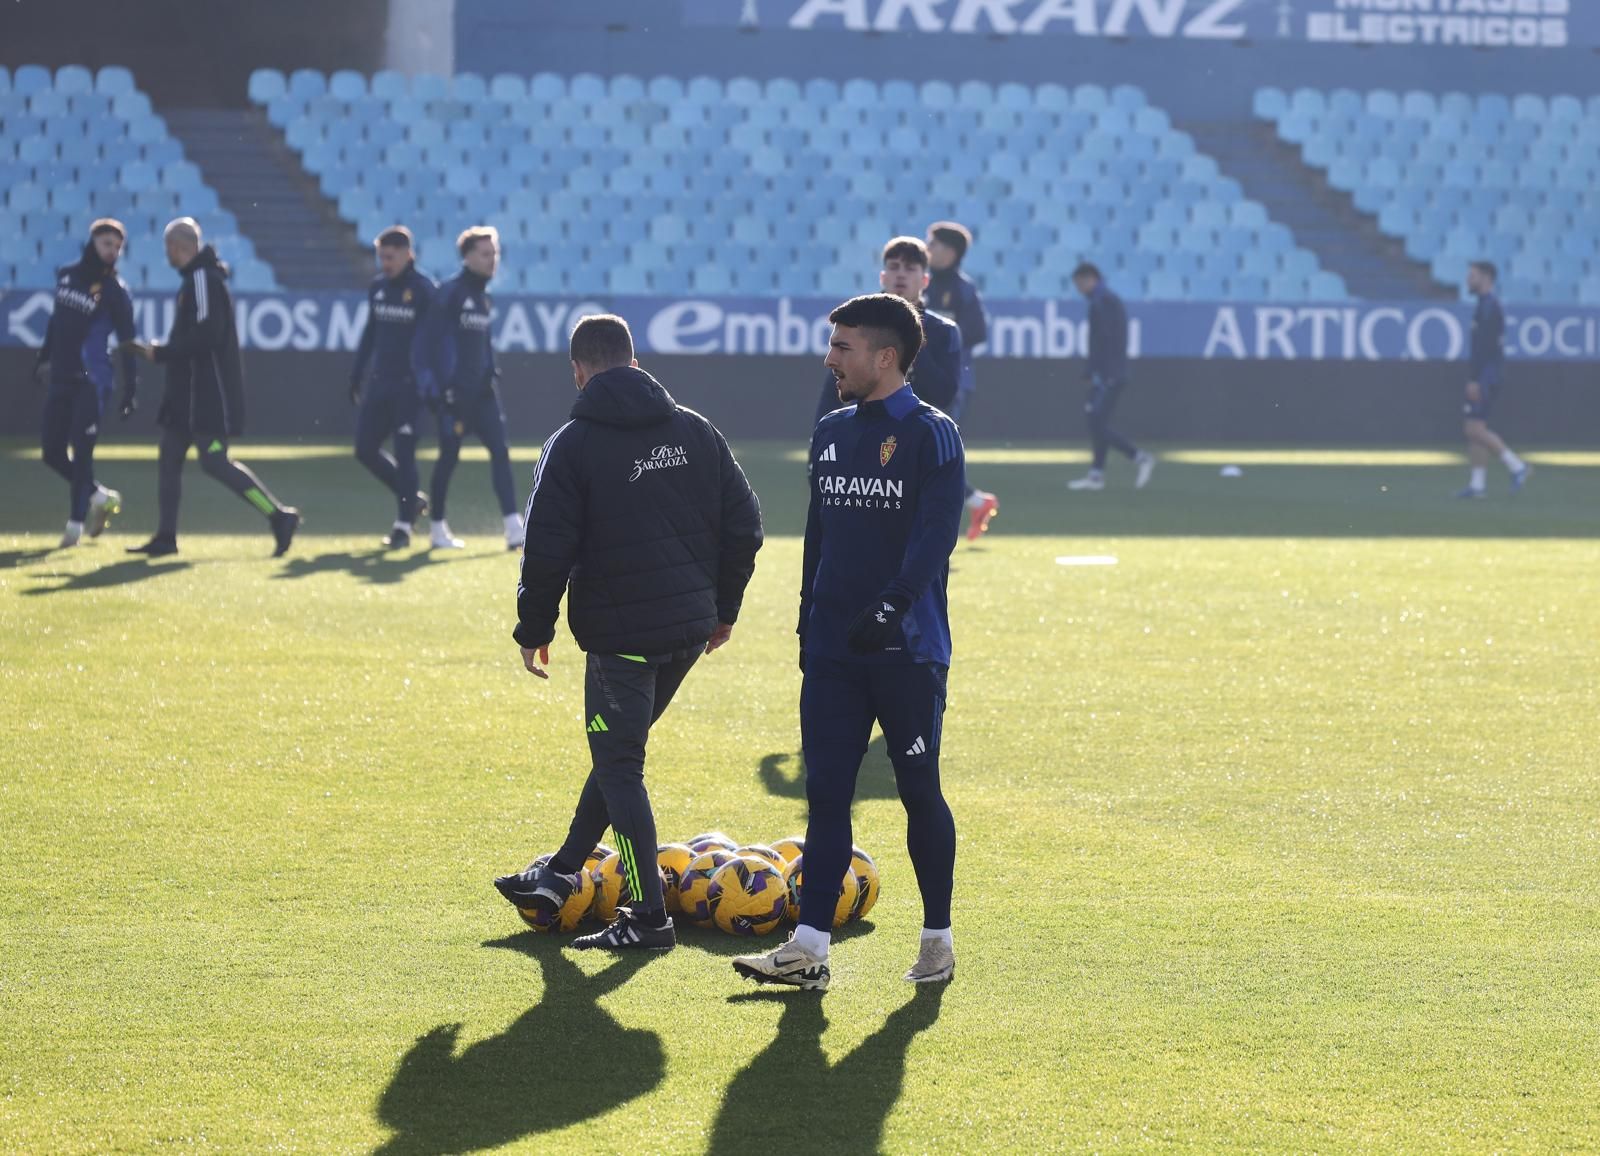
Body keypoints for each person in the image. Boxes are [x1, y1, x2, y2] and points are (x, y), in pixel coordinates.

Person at [494, 314, 764, 952]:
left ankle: (648, 918)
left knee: (620, 765)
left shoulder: (573, 442)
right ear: (635, 361)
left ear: (578, 371)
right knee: (618, 756)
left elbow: (545, 550)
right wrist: (723, 608)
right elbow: (746, 525)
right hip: (687, 633)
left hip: (623, 638)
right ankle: (562, 871)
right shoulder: (695, 429)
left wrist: (534, 627)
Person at [734, 293, 962, 992]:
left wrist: (894, 605)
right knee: (828, 793)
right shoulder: (830, 430)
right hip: (834, 650)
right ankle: (810, 949)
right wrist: (808, 619)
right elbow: (820, 534)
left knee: (919, 791)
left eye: (842, 348)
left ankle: (936, 939)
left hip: (907, 650)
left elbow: (936, 535)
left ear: (884, 357)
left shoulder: (932, 433)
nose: (829, 359)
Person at [124, 218, 300, 557]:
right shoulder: (195, 280)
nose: (167, 255)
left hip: (207, 395)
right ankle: (166, 537)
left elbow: (208, 333)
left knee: (215, 462)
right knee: (170, 457)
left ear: (178, 246)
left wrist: (162, 352)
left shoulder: (203, 278)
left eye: (168, 248)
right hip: (186, 394)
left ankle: (279, 515)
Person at [811, 237, 995, 539]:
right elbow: (833, 388)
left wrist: (910, 336)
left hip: (915, 443)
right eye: (893, 267)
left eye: (910, 268)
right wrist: (815, 453)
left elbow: (944, 394)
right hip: (863, 438)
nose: (900, 274)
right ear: (882, 277)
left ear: (924, 279)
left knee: (917, 536)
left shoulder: (943, 331)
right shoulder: (857, 327)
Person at [413, 225, 522, 550]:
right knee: (449, 457)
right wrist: (435, 389)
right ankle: (437, 528)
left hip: (483, 393)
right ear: (468, 256)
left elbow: (481, 344)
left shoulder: (483, 297)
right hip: (455, 395)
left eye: (496, 254)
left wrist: (491, 371)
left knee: (501, 453)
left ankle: (513, 527)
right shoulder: (450, 293)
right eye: (486, 254)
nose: (493, 260)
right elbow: (426, 344)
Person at [34, 219, 139, 547]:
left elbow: (127, 341)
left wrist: (130, 386)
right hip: (63, 377)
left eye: (118, 247)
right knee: (51, 452)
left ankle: (75, 525)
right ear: (93, 242)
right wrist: (43, 358)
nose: (113, 251)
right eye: (107, 244)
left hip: (93, 381)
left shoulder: (115, 291)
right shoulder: (66, 275)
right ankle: (98, 496)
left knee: (82, 452)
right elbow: (57, 321)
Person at [349, 226, 435, 548]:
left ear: (407, 254)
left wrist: (428, 381)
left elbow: (434, 341)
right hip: (380, 382)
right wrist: (356, 373)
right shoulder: (379, 288)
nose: (384, 263)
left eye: (390, 256)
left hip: (410, 388)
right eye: (380, 256)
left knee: (405, 452)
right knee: (364, 449)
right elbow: (371, 333)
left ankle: (403, 526)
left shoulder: (424, 290)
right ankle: (412, 498)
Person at [927, 221, 999, 539]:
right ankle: (975, 501)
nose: (929, 249)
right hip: (920, 378)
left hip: (954, 382)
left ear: (951, 251)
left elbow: (978, 331)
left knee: (938, 451)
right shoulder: (922, 283)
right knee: (929, 452)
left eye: (935, 244)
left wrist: (942, 331)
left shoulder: (962, 289)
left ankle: (947, 519)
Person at [1065, 262, 1155, 492]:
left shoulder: (1102, 302)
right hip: (1110, 371)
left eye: (1079, 284)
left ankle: (1139, 457)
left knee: (1096, 421)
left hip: (1109, 373)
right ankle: (1096, 475)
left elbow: (1104, 340)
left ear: (1090, 278)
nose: (1079, 289)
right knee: (1097, 421)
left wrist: (1094, 370)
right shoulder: (1106, 299)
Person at [1456, 261, 1530, 499]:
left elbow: (1486, 349)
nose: (1468, 279)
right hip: (1486, 376)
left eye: (1473, 275)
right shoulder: (1485, 306)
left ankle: (1517, 466)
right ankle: (1478, 486)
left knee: (1475, 428)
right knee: (1474, 429)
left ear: (1486, 278)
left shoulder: (1489, 307)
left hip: (1486, 378)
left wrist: (1476, 380)